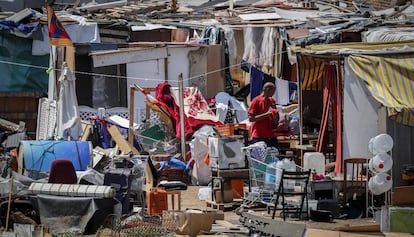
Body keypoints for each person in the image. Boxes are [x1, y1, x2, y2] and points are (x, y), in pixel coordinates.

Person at [248, 82, 279, 148]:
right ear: (267, 90)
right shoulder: (256, 101)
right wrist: (266, 115)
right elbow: (251, 119)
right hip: (259, 135)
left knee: (274, 154)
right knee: (260, 156)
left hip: (271, 134)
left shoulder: (272, 101)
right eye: (273, 91)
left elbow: (274, 113)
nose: (273, 93)